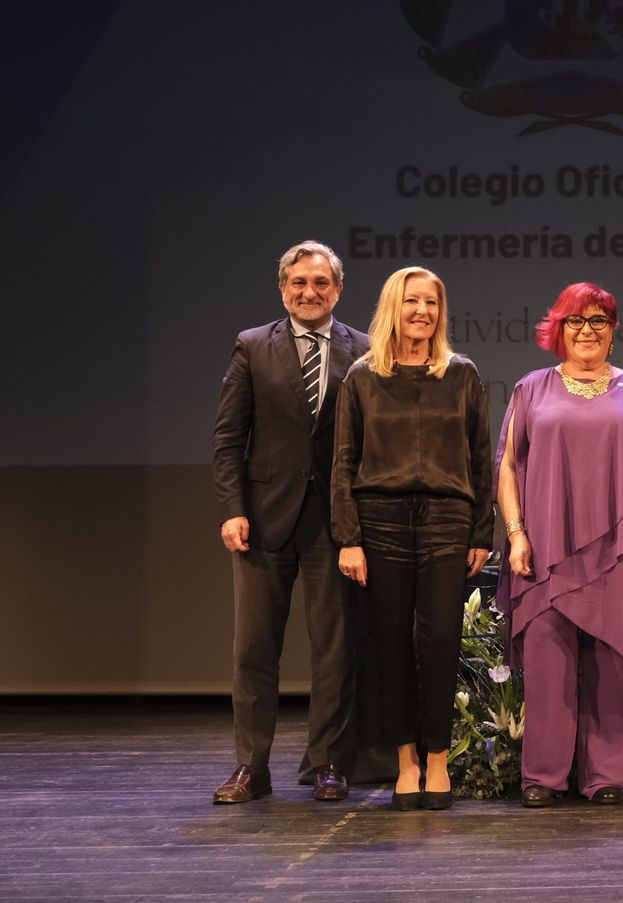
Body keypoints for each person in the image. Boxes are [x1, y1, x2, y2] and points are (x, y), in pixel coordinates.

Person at [495, 282, 623, 807]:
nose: (587, 330)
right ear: (558, 330)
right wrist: (516, 533)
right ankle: (543, 778)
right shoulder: (531, 387)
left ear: (614, 332)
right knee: (548, 660)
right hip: (546, 544)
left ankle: (605, 777)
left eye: (599, 320)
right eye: (576, 320)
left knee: (618, 657)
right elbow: (505, 465)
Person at [211, 240, 370, 803]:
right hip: (262, 520)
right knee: (254, 650)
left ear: (338, 289)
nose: (310, 292)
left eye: (320, 283)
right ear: (283, 289)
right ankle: (250, 768)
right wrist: (232, 507)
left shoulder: (366, 350)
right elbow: (229, 438)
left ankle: (326, 763)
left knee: (335, 650)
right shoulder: (253, 347)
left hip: (336, 524)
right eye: (299, 283)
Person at [330, 267, 492, 811]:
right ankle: (406, 761)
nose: (422, 311)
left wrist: (482, 531)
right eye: (411, 301)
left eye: (431, 302)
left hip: (448, 519)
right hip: (381, 520)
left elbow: (480, 459)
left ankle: (439, 759)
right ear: (392, 308)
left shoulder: (462, 374)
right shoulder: (361, 376)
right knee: (391, 642)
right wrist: (348, 537)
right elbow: (344, 462)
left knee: (441, 641)